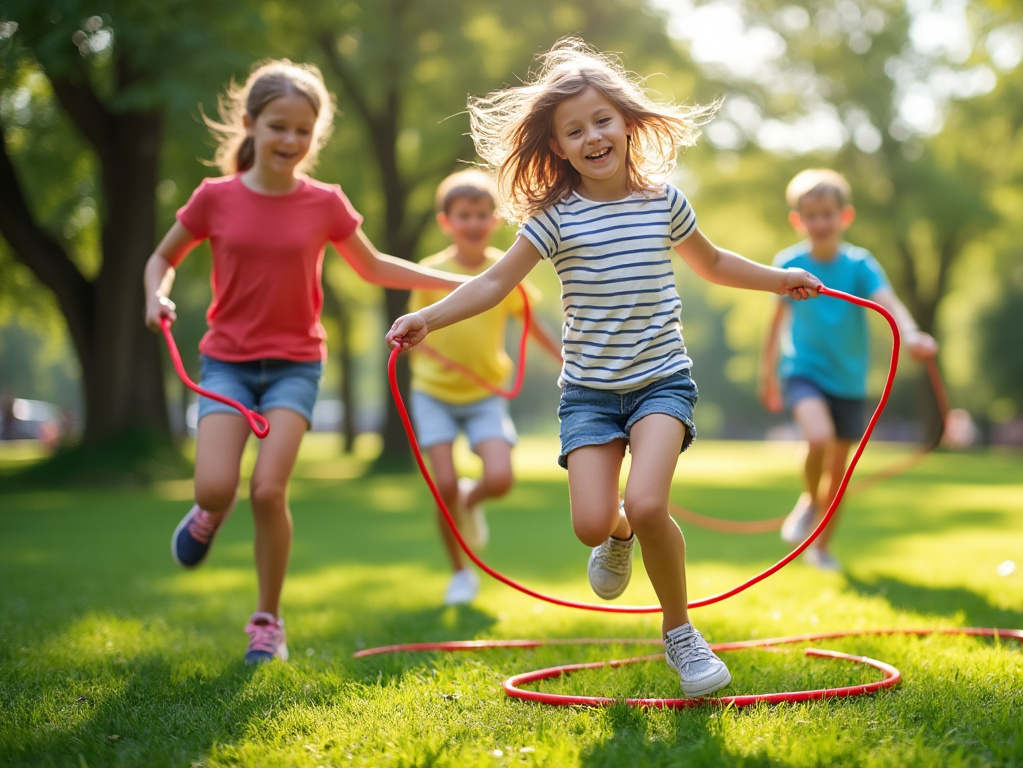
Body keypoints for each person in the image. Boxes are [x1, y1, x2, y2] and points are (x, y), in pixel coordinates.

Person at [385, 38, 821, 697]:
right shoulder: (554, 219)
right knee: (594, 522)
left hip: (661, 383)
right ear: (557, 147)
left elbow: (715, 262)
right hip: (588, 395)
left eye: (601, 121)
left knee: (648, 503)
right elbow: (493, 284)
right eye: (574, 130)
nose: (592, 136)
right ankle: (615, 534)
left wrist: (778, 279)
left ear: (626, 124)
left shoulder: (662, 201)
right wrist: (429, 317)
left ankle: (680, 633)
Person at [144, 60, 466, 664]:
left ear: (314, 136)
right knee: (216, 487)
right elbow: (161, 258)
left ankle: (268, 621)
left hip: (295, 365)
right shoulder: (215, 198)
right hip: (226, 365)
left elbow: (374, 267)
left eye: (302, 131)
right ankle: (209, 513)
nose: (290, 141)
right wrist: (153, 294)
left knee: (269, 490)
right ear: (251, 124)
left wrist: (461, 281)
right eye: (278, 127)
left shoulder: (324, 203)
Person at [759, 169, 938, 571]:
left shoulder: (859, 264)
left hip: (849, 381)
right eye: (811, 215)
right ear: (798, 220)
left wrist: (911, 334)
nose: (820, 222)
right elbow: (773, 325)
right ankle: (807, 500)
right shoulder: (789, 264)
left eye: (827, 213)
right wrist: (767, 376)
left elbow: (887, 299)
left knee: (838, 476)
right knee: (817, 438)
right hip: (803, 371)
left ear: (844, 216)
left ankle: (821, 549)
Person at [408, 169, 563, 606]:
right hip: (434, 392)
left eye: (481, 214)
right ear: (447, 221)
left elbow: (535, 324)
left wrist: (565, 360)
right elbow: (416, 331)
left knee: (499, 477)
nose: (473, 223)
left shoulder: (505, 268)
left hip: (485, 394)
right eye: (464, 215)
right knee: (442, 485)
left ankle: (470, 499)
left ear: (494, 220)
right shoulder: (428, 272)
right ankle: (460, 573)